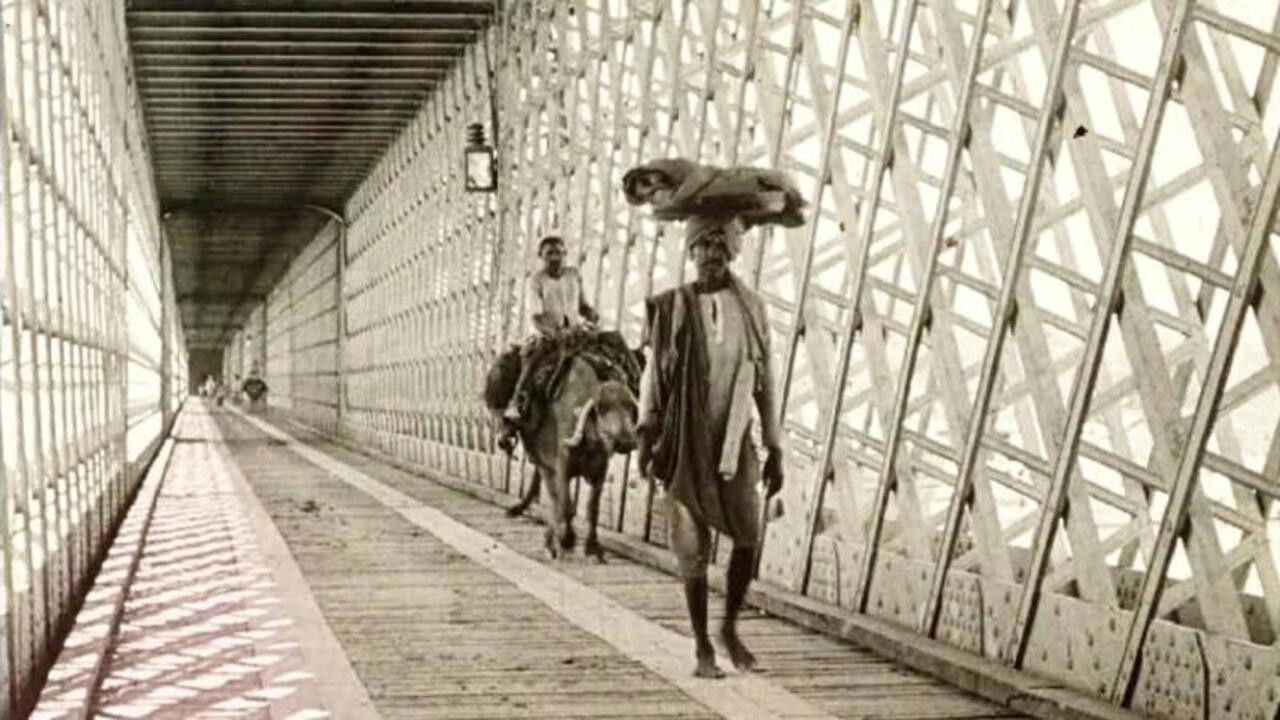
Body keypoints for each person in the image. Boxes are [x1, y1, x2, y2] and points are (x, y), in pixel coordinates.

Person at [636, 214, 785, 678]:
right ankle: (702, 645)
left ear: (732, 254)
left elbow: (765, 380)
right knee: (691, 545)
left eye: (720, 249)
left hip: (734, 439)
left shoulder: (751, 307)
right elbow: (653, 375)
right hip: (684, 439)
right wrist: (646, 431)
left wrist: (774, 445)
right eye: (703, 248)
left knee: (749, 532)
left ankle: (730, 626)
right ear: (692, 252)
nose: (711, 257)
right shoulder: (673, 306)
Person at [498, 235, 600, 452]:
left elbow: (583, 306)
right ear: (541, 257)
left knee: (609, 350)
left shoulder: (574, 275)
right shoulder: (536, 280)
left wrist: (591, 314)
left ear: (565, 254)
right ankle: (516, 405)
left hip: (574, 334)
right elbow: (536, 317)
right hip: (547, 337)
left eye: (559, 252)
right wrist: (553, 333)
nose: (555, 257)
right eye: (549, 254)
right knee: (532, 363)